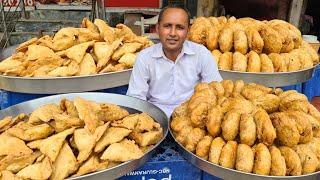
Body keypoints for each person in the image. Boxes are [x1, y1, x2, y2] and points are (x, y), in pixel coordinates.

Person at [127, 5, 222, 117]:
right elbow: (135, 99)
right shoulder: (144, 58)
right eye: (167, 26)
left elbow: (216, 90)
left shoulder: (201, 54)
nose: (172, 33)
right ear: (158, 28)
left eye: (180, 27)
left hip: (191, 118)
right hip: (155, 118)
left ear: (188, 31)